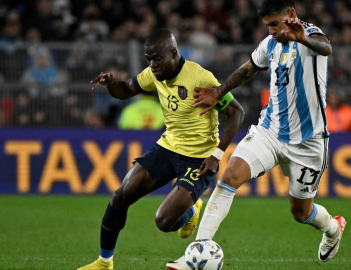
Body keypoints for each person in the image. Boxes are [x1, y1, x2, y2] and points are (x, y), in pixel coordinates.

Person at [167, 1, 346, 269]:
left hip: (309, 143)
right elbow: (248, 68)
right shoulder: (270, 44)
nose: (272, 30)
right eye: (268, 26)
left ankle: (333, 228)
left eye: (275, 24)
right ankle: (196, 253)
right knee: (228, 178)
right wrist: (218, 91)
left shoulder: (310, 35)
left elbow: (326, 47)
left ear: (291, 15)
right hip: (270, 132)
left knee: (300, 212)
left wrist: (303, 38)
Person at [77, 29, 244, 270]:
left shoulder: (201, 77)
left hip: (198, 159)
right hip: (167, 147)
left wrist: (217, 155)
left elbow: (237, 113)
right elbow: (125, 90)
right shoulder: (155, 74)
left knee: (164, 222)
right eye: (149, 60)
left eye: (157, 58)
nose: (153, 65)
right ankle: (104, 263)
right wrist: (112, 83)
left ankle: (191, 211)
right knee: (120, 196)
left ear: (174, 54)